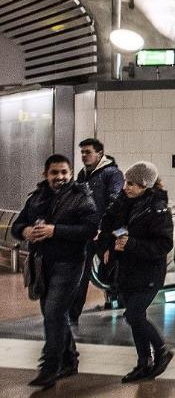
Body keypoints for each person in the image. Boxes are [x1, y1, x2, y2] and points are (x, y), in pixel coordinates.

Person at [14, 154, 99, 388]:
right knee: (55, 314)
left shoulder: (82, 197)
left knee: (53, 312)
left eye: (64, 172)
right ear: (46, 174)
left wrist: (55, 231)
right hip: (42, 264)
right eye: (54, 172)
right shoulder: (36, 198)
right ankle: (70, 359)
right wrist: (26, 232)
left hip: (69, 263)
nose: (59, 177)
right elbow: (17, 226)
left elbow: (90, 229)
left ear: (70, 173)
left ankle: (50, 367)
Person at [99, 161, 175, 383]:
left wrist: (131, 244)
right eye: (126, 182)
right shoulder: (125, 202)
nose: (126, 187)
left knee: (133, 314)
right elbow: (108, 223)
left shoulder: (157, 209)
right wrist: (108, 243)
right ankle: (144, 362)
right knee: (136, 317)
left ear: (145, 186)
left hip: (148, 273)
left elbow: (163, 244)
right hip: (127, 270)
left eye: (131, 184)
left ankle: (161, 350)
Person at [74, 137, 124, 319]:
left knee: (111, 269)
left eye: (88, 152)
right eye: (82, 152)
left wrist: (103, 228)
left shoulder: (112, 173)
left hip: (104, 232)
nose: (84, 156)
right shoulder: (83, 174)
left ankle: (124, 305)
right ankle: (73, 314)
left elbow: (115, 201)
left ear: (100, 153)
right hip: (87, 232)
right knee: (81, 273)